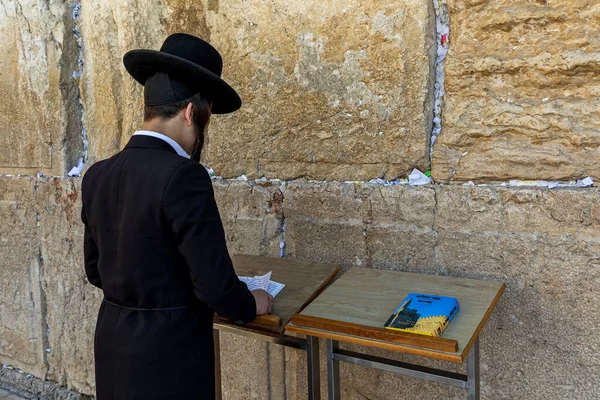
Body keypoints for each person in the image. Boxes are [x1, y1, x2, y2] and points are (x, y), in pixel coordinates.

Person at [80, 33, 273, 400]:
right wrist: (253, 302)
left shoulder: (97, 174)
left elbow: (95, 270)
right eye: (204, 122)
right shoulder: (184, 176)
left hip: (113, 346)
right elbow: (215, 287)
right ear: (190, 113)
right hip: (169, 357)